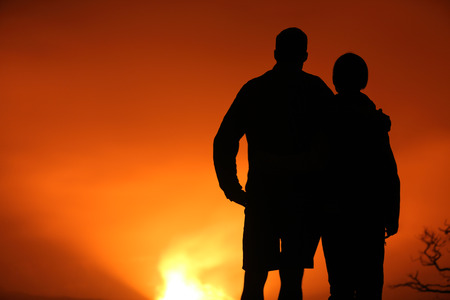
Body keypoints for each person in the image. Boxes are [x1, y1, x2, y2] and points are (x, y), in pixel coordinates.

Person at [213, 27, 333, 300]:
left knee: (255, 278)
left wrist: (231, 187)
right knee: (291, 281)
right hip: (300, 198)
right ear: (305, 55)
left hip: (265, 196)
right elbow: (341, 136)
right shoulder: (316, 90)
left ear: (276, 53)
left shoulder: (255, 89)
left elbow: (224, 139)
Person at [320, 53, 400, 300]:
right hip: (369, 214)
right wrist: (392, 214)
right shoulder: (373, 120)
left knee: (340, 288)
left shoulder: (324, 117)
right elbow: (389, 171)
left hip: (334, 214)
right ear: (363, 79)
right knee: (370, 286)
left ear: (335, 80)